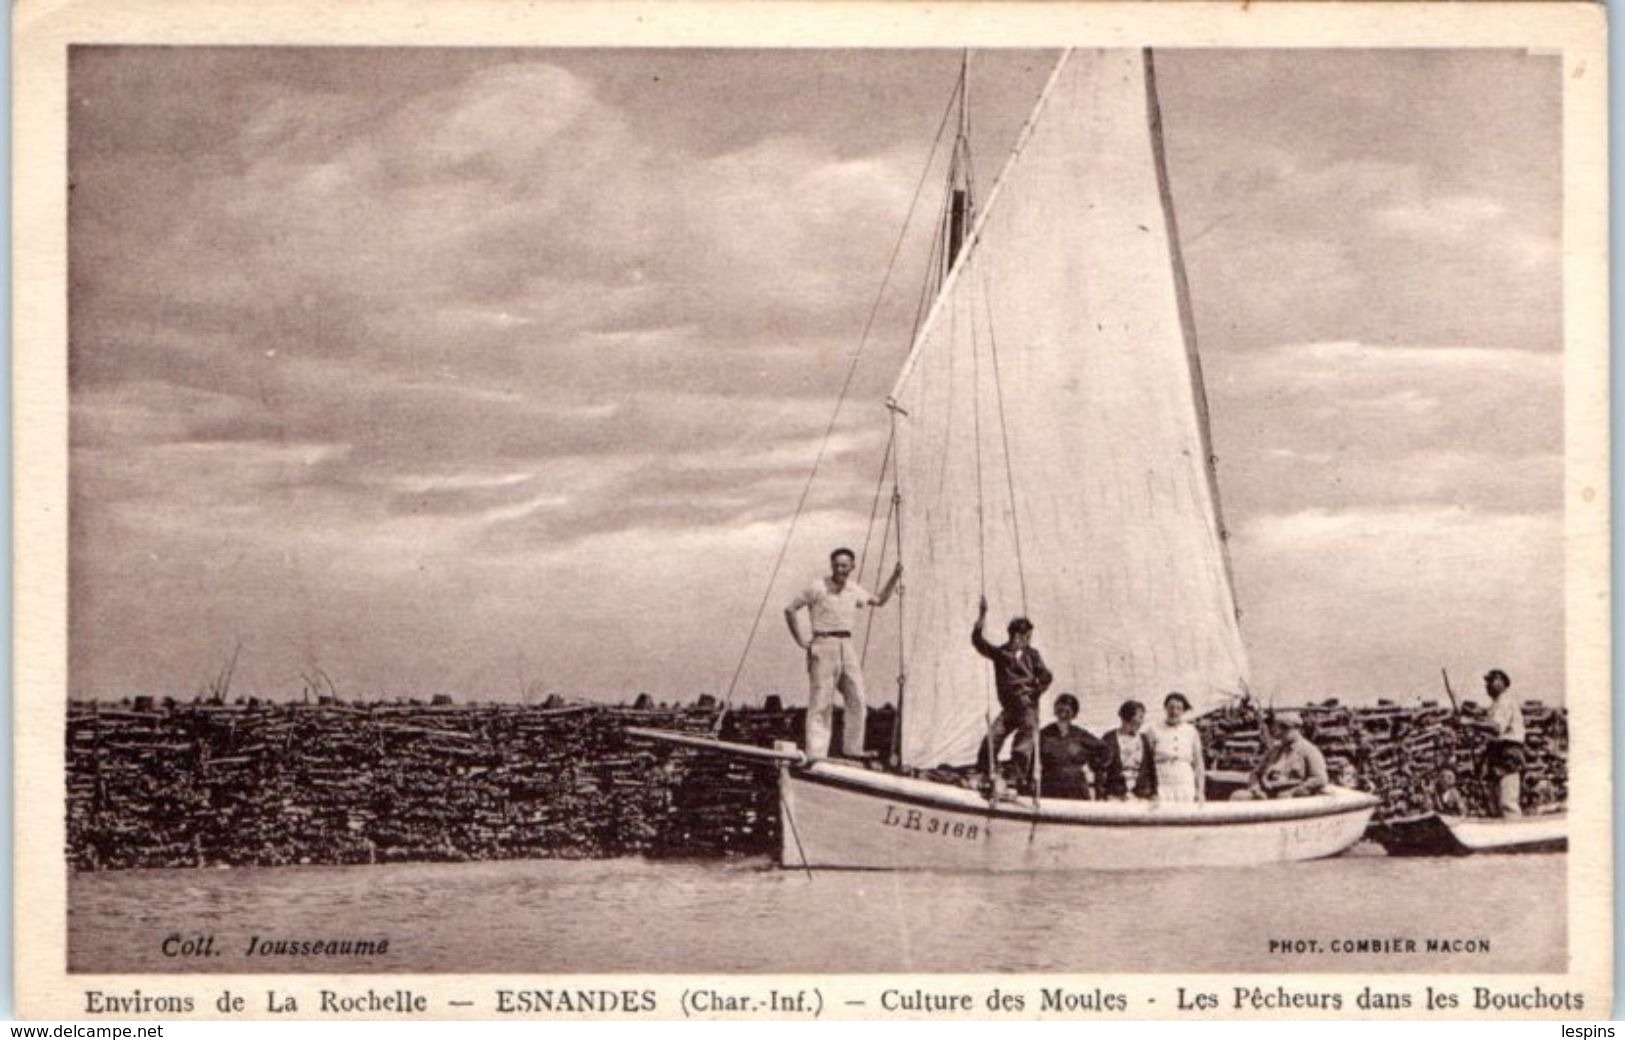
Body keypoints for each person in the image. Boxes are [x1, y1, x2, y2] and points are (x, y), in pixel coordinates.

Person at [783, 549, 902, 760]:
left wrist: (895, 576)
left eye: (844, 566)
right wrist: (801, 640)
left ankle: (853, 748)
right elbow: (790, 609)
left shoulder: (853, 589)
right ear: (831, 565)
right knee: (821, 701)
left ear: (852, 567)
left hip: (846, 644)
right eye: (836, 565)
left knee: (857, 697)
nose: (840, 569)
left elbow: (879, 601)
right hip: (823, 643)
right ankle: (816, 753)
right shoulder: (817, 586)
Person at [971, 596, 1053, 789]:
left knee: (1023, 742)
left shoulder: (1032, 655)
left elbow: (1047, 676)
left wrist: (1036, 692)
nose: (1028, 640)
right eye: (1026, 637)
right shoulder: (1001, 654)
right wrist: (982, 616)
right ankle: (984, 771)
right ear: (1016, 636)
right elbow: (978, 641)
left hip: (1027, 707)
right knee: (993, 737)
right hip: (1009, 707)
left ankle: (1015, 777)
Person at [1230, 712, 1328, 800]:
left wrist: (1294, 792)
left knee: (1282, 799)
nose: (1280, 732)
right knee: (1238, 796)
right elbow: (1255, 773)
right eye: (1278, 727)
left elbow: (1320, 778)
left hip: (1291, 795)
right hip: (1266, 792)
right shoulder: (1274, 750)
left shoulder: (1309, 750)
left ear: (1298, 729)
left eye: (1285, 728)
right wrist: (1255, 789)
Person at [1038, 693, 1102, 800]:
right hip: (1050, 787)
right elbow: (1030, 758)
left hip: (1076, 789)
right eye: (1060, 710)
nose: (1063, 715)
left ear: (1074, 715)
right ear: (1055, 710)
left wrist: (1094, 765)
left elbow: (1104, 751)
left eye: (1067, 712)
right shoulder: (1043, 735)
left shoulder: (1081, 735)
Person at [1147, 691, 1205, 802]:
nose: (1174, 711)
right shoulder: (1154, 730)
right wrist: (1151, 790)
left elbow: (1198, 764)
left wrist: (1200, 791)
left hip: (1185, 783)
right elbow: (1146, 763)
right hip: (1161, 784)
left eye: (1179, 708)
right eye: (1171, 707)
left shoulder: (1191, 731)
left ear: (1183, 711)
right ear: (1165, 708)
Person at [1096, 699, 1157, 801]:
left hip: (1141, 796)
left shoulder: (1144, 739)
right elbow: (1100, 770)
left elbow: (1151, 769)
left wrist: (1154, 793)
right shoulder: (1109, 738)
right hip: (1115, 796)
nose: (1142, 721)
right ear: (1128, 716)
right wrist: (1100, 795)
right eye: (1140, 716)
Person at [1483, 668, 1525, 817]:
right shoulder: (1494, 706)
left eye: (1491, 681)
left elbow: (1496, 728)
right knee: (1495, 799)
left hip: (1508, 752)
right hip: (1496, 752)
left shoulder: (1505, 701)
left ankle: (1515, 834)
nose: (1487, 685)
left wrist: (1469, 722)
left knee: (1507, 801)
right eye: (1487, 682)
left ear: (1502, 682)